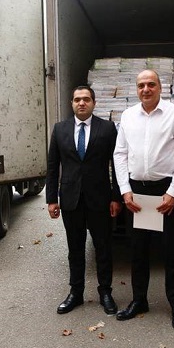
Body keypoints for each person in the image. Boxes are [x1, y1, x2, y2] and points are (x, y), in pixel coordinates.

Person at [113, 69, 174, 330]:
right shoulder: (128, 116)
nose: (145, 89)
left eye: (150, 84)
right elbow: (120, 154)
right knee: (138, 251)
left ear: (160, 87)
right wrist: (125, 190)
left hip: (164, 192)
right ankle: (139, 301)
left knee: (171, 251)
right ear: (136, 89)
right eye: (141, 85)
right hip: (137, 192)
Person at [46, 85, 123, 315]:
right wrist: (52, 199)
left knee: (103, 247)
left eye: (86, 99)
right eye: (77, 99)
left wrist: (116, 197)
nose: (82, 103)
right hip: (71, 199)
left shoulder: (107, 128)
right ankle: (76, 293)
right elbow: (53, 166)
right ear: (72, 103)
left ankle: (105, 292)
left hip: (100, 199)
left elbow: (117, 164)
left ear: (93, 103)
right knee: (75, 248)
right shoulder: (60, 129)